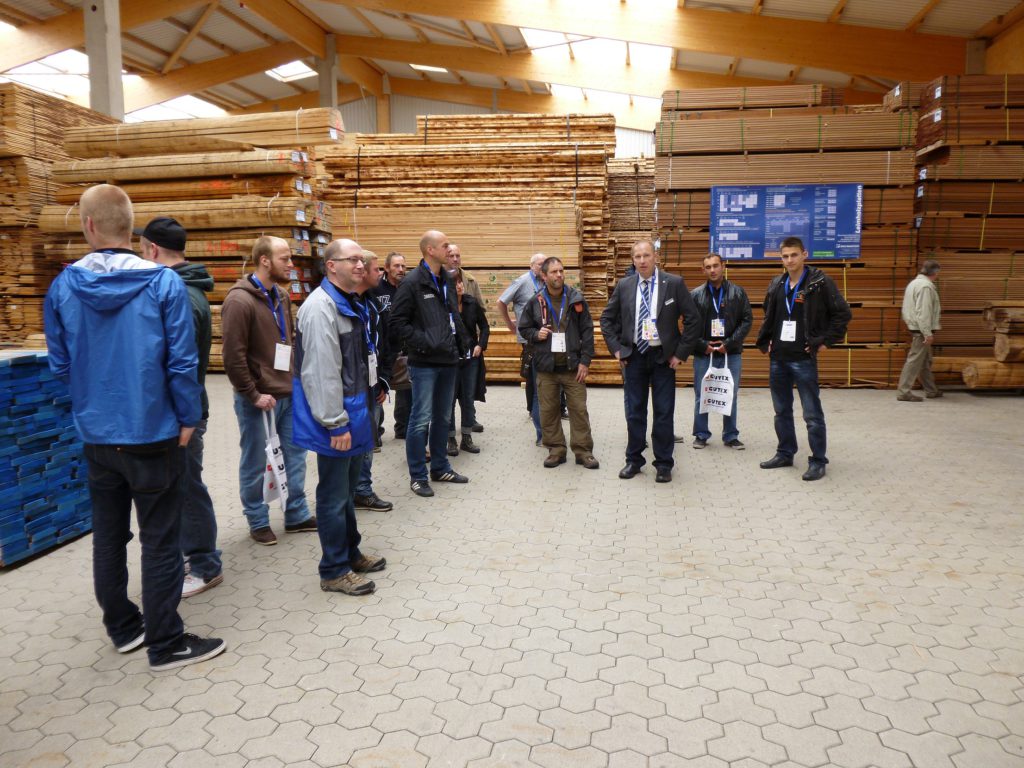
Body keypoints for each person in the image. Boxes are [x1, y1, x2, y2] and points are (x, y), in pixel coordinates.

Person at [44, 184, 225, 671]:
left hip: (98, 436)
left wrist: (92, 398)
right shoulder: (163, 283)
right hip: (153, 433)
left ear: (87, 226)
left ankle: (123, 627)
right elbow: (182, 362)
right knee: (160, 538)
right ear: (132, 228)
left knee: (108, 536)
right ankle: (166, 642)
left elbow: (59, 364)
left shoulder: (63, 287)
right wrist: (188, 417)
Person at [292, 238, 386, 595]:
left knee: (346, 491)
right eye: (353, 260)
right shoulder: (320, 308)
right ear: (331, 266)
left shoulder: (349, 301)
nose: (361, 265)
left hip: (354, 411)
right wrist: (335, 423)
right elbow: (320, 372)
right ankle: (333, 569)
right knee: (333, 495)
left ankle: (350, 552)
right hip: (337, 420)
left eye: (362, 260)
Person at [136, 216, 222, 598]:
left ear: (152, 249)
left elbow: (180, 363)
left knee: (186, 487)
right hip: (182, 408)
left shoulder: (181, 297)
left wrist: (185, 416)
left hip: (182, 412)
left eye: (142, 250)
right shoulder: (185, 289)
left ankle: (204, 564)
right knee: (182, 485)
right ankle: (192, 557)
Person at [221, 236, 315, 545]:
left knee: (296, 455)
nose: (291, 264)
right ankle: (258, 519)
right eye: (285, 258)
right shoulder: (239, 301)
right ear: (264, 260)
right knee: (256, 461)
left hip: (287, 392)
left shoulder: (283, 297)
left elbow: (289, 343)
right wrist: (252, 394)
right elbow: (232, 357)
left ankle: (297, 513)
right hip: (258, 399)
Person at [600, 239, 700, 483]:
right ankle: (634, 460)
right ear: (632, 260)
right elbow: (606, 319)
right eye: (637, 257)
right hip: (633, 357)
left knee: (664, 412)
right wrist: (616, 350)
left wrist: (680, 353)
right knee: (635, 411)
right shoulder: (624, 285)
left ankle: (664, 464)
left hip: (663, 359)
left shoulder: (674, 284)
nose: (642, 261)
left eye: (646, 256)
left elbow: (693, 319)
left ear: (655, 257)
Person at [756, 236, 852, 482]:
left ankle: (818, 460)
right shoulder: (777, 283)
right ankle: (785, 452)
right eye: (785, 256)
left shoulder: (820, 282)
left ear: (804, 254)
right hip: (778, 358)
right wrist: (767, 338)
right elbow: (769, 314)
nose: (789, 260)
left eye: (794, 255)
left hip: (803, 358)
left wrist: (825, 341)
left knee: (811, 413)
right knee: (781, 411)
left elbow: (842, 314)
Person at [389, 229, 472, 497]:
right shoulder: (412, 282)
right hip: (424, 362)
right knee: (420, 418)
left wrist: (463, 342)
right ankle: (417, 476)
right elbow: (397, 322)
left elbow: (453, 314)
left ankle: (440, 467)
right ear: (430, 251)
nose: (450, 250)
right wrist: (424, 342)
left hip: (449, 360)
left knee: (443, 417)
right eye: (445, 245)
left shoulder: (447, 278)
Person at [519, 256, 599, 470]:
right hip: (546, 367)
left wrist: (585, 361)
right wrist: (537, 334)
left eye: (561, 271)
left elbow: (587, 331)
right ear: (543, 276)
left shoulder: (576, 299)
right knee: (548, 410)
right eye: (554, 272)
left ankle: (583, 452)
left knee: (579, 409)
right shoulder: (536, 301)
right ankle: (556, 450)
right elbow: (523, 328)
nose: (559, 275)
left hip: (573, 367)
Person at [690, 253, 753, 450]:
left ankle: (730, 435)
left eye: (716, 265)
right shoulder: (695, 295)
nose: (712, 270)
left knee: (730, 393)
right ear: (703, 270)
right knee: (702, 393)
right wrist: (702, 345)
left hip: (730, 353)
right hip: (704, 353)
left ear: (723, 266)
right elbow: (689, 325)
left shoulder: (738, 292)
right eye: (708, 267)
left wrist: (730, 343)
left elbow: (747, 320)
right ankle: (701, 434)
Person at [353, 250, 394, 512]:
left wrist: (383, 379)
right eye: (377, 269)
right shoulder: (344, 304)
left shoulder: (373, 304)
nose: (380, 274)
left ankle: (362, 489)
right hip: (351, 387)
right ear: (362, 271)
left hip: (372, 382)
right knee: (357, 439)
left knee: (368, 438)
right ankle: (355, 489)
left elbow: (386, 343)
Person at [498, 254, 545, 444]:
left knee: (543, 385)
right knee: (535, 384)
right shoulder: (522, 282)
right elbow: (501, 302)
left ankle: (547, 421)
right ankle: (539, 428)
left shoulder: (546, 282)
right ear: (531, 265)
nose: (543, 267)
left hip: (546, 339)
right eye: (540, 264)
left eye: (545, 264)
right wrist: (510, 324)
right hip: (530, 340)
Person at [448, 272, 489, 456]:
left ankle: (466, 437)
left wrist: (481, 345)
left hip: (471, 358)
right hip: (449, 359)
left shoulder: (471, 303)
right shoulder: (443, 306)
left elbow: (485, 327)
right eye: (455, 284)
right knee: (448, 400)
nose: (459, 286)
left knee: (467, 397)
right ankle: (450, 439)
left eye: (460, 283)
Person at [446, 243, 485, 434]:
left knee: (468, 392)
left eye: (457, 255)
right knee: (450, 395)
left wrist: (478, 343)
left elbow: (480, 314)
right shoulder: (436, 283)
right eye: (451, 255)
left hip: (470, 349)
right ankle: (450, 434)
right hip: (449, 353)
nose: (455, 258)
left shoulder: (470, 280)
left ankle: (469, 423)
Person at [896, 259, 943, 402]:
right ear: (935, 273)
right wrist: (927, 333)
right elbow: (924, 312)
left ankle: (931, 390)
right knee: (914, 360)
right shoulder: (925, 287)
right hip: (921, 330)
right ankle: (903, 392)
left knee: (924, 361)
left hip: (916, 327)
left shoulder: (914, 284)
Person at [378, 252, 411, 438]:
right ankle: (377, 430)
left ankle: (402, 428)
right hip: (381, 347)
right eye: (396, 266)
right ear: (387, 268)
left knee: (405, 389)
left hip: (401, 346)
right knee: (379, 388)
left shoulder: (407, 288)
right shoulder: (377, 289)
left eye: (403, 266)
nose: (400, 270)